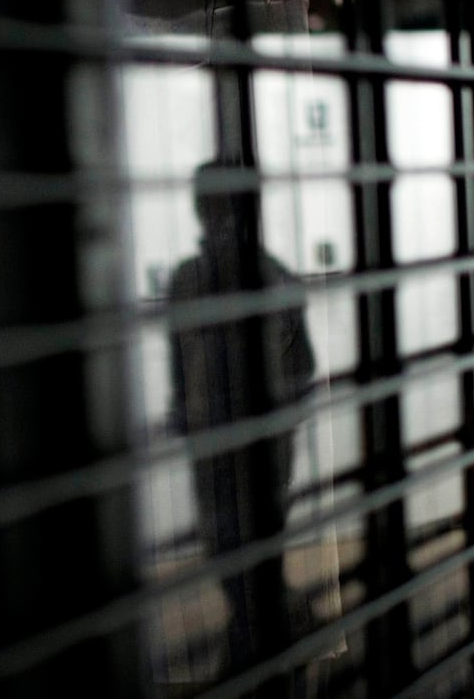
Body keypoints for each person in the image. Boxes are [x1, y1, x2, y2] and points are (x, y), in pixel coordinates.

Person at [165, 160, 316, 680]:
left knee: (254, 546)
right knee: (224, 547)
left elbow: (304, 367)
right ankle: (265, 636)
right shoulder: (188, 282)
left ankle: (262, 644)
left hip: (258, 443)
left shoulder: (274, 280)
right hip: (213, 441)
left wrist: (280, 427)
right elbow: (178, 363)